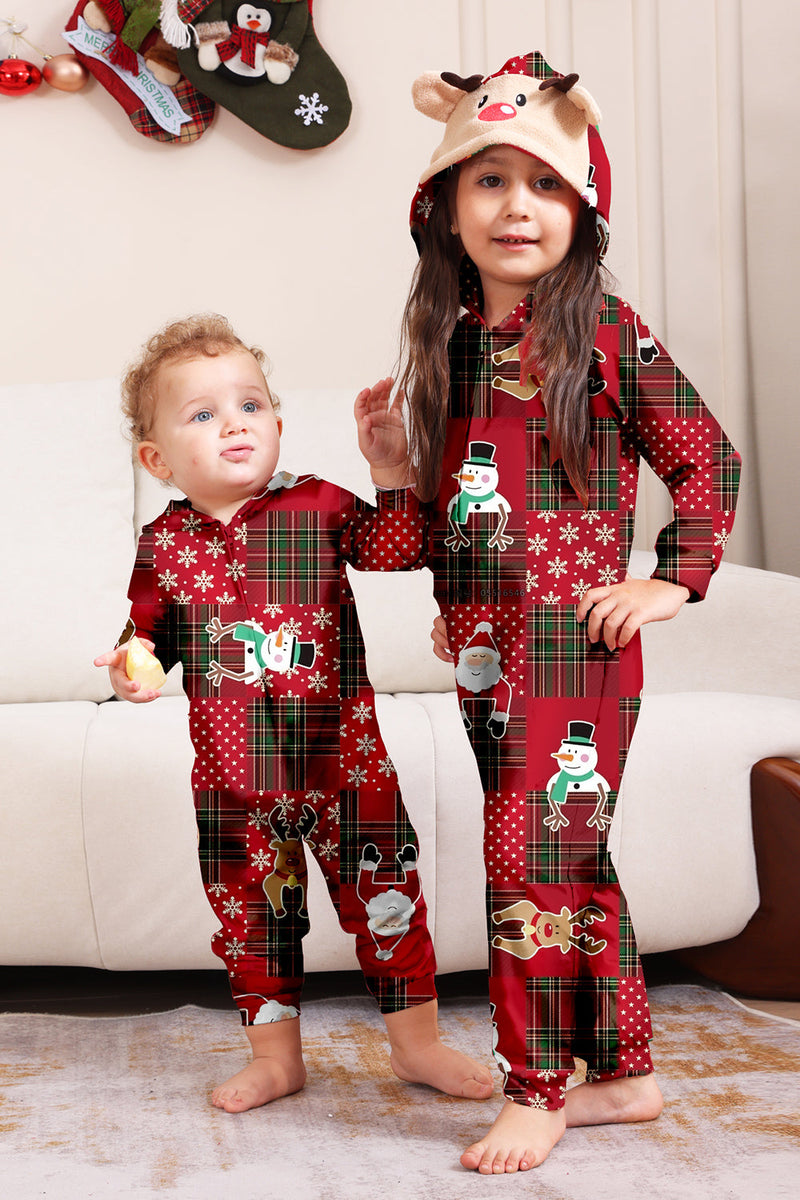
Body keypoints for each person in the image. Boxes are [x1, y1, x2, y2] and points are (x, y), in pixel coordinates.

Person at [355, 52, 740, 1174]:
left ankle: (539, 1087)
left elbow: (703, 458)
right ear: (442, 207)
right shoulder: (448, 339)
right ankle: (621, 1071)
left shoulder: (604, 332)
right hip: (485, 651)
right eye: (488, 181)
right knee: (570, 854)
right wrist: (393, 474)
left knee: (529, 856)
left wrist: (674, 576)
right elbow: (450, 512)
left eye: (544, 184)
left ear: (582, 208)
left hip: (576, 642)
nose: (515, 206)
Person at [95, 314, 494, 1115]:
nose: (233, 423)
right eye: (202, 415)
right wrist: (132, 668)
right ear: (157, 459)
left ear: (277, 422)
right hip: (235, 784)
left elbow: (398, 548)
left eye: (250, 404)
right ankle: (277, 1059)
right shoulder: (164, 544)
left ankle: (416, 1045)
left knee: (386, 897)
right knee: (250, 918)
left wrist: (390, 471)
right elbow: (148, 636)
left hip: (346, 766)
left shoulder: (314, 504)